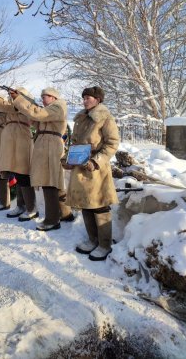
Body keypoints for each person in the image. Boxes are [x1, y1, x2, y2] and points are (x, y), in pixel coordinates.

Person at [66, 86, 119, 261]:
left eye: (89, 97)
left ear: (98, 99)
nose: (85, 100)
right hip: (80, 168)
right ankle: (92, 240)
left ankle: (104, 244)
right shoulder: (81, 118)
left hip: (96, 170)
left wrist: (96, 161)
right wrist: (67, 158)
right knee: (86, 204)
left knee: (99, 205)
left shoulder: (105, 118)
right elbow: (74, 143)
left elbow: (112, 143)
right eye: (84, 97)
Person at [12, 87, 74, 230]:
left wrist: (20, 100)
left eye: (45, 96)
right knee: (52, 181)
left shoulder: (58, 107)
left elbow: (38, 114)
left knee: (49, 182)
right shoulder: (51, 110)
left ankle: (52, 220)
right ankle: (65, 214)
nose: (42, 99)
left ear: (53, 97)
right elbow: (35, 120)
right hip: (45, 144)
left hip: (50, 145)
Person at [0, 88, 38, 220]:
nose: (11, 95)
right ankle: (21, 206)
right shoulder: (14, 105)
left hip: (21, 137)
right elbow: (0, 109)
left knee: (24, 173)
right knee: (18, 173)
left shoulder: (25, 104)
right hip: (11, 138)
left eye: (14, 93)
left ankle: (31, 208)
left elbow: (8, 107)